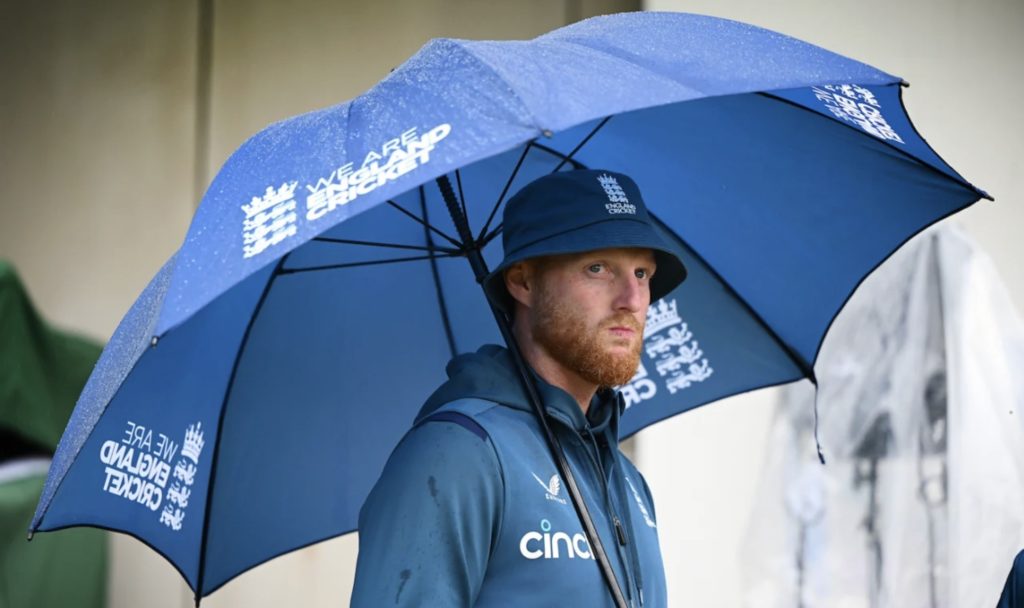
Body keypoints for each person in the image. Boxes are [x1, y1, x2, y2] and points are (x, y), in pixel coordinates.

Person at [350, 169, 688, 607]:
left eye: (642, 272)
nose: (633, 299)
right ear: (523, 282)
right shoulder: (457, 453)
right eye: (598, 268)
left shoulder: (627, 480)